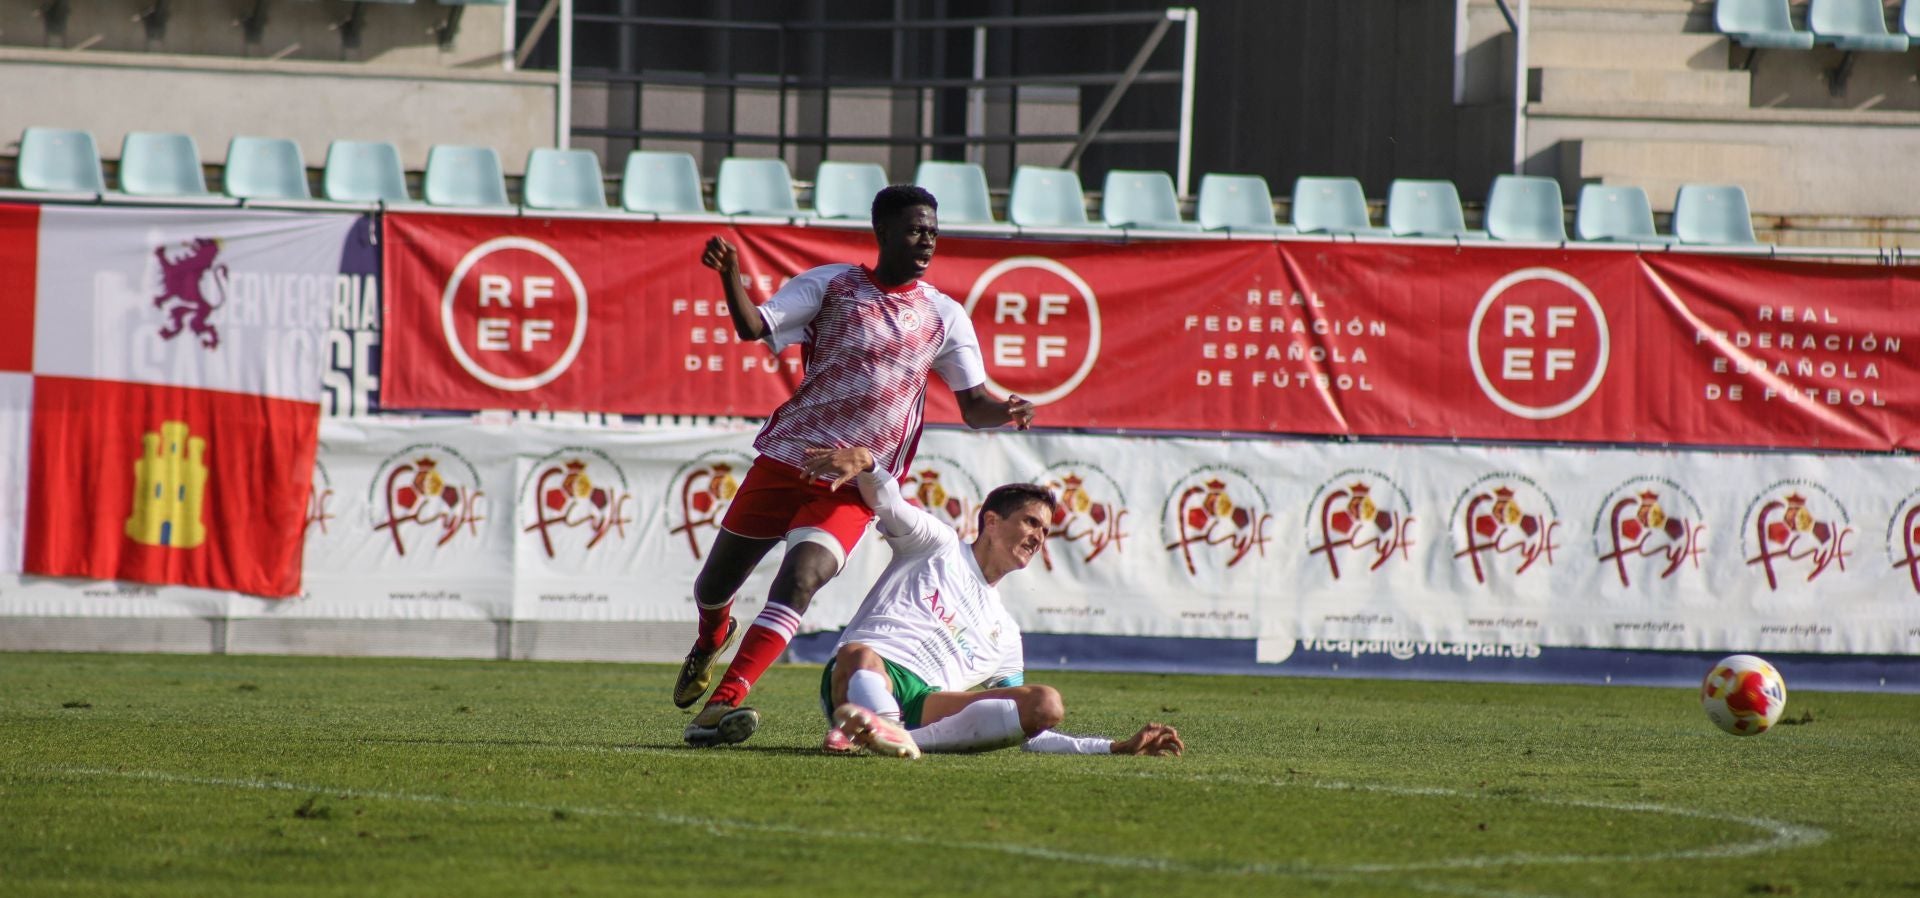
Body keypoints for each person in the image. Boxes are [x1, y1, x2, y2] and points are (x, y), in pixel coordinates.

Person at [680, 185, 1036, 748]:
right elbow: (755, 327)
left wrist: (1006, 407)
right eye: (917, 229)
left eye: (934, 231)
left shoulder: (943, 314)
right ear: (885, 232)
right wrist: (731, 277)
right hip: (787, 458)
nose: (928, 240)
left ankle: (724, 702)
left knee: (803, 577)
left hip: (854, 484)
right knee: (713, 585)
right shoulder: (832, 285)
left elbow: (974, 405)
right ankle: (711, 636)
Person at [801, 445, 1185, 759]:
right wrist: (869, 462)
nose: (1038, 537)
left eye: (1045, 530)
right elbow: (890, 503)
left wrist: (1113, 748)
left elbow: (1029, 730)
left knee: (1046, 702)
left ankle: (895, 737)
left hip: (926, 708)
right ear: (992, 522)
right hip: (861, 677)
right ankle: (879, 725)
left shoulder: (1006, 633)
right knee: (857, 653)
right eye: (1031, 522)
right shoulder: (937, 545)